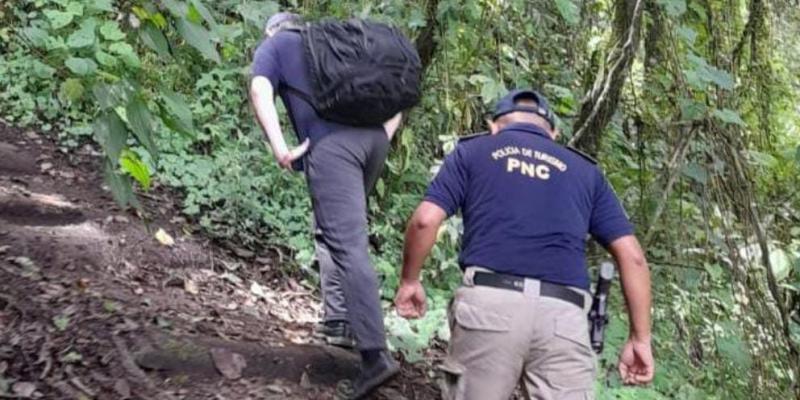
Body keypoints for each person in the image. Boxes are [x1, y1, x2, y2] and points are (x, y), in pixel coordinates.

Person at [394, 89, 654, 399]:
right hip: (564, 317)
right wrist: (640, 338)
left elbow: (425, 220)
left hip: (490, 305)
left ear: (493, 126)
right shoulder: (586, 172)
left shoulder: (473, 151)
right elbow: (633, 257)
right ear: (553, 134)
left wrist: (410, 281)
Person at [249, 12, 402, 398]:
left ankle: (374, 356)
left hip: (332, 147)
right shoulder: (335, 45)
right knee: (337, 232)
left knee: (346, 243)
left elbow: (260, 90)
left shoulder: (276, 45)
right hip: (373, 141)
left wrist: (280, 148)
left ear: (272, 30)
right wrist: (379, 136)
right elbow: (396, 98)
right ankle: (340, 322)